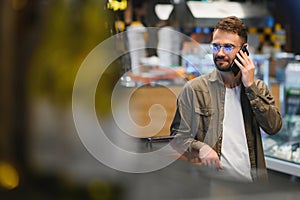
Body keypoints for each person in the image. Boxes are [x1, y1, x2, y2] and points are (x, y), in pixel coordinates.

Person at [170, 16, 282, 182]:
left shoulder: (258, 88)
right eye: (216, 46)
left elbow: (273, 127)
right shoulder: (195, 89)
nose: (220, 53)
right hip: (212, 187)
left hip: (253, 188)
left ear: (244, 50)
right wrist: (202, 148)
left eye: (228, 47)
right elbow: (177, 138)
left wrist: (250, 86)